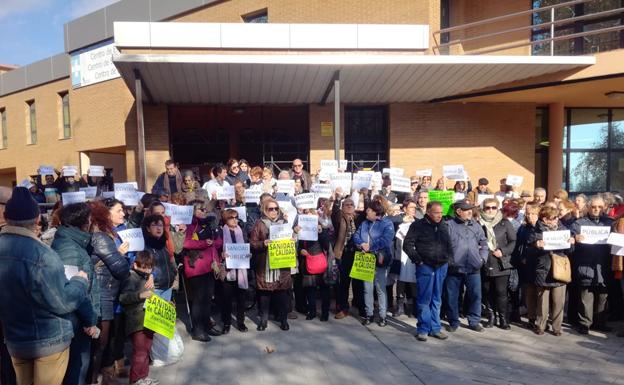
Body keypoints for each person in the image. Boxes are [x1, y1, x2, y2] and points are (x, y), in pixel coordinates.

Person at [0, 187, 88, 385]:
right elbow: (62, 302)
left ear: (6, 216)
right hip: (48, 341)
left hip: (15, 339)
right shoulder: (42, 254)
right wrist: (80, 281)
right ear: (37, 218)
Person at [51, 203, 99, 385]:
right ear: (84, 221)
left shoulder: (74, 242)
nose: (91, 221)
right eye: (89, 218)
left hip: (79, 320)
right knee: (76, 371)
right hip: (76, 322)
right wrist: (89, 320)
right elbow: (72, 292)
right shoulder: (68, 249)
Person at [87, 200, 131, 385]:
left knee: (106, 341)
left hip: (110, 293)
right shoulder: (101, 237)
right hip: (102, 293)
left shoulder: (108, 234)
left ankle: (105, 376)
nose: (123, 214)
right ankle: (93, 379)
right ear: (106, 214)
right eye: (119, 210)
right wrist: (120, 256)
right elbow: (121, 269)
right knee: (100, 344)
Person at [403, 201, 452, 341]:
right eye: (436, 212)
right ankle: (423, 328)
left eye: (441, 212)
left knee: (437, 299)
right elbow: (407, 245)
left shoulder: (444, 225)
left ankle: (435, 328)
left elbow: (449, 244)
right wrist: (418, 260)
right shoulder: (418, 225)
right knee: (424, 298)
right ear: (429, 212)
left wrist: (448, 259)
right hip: (425, 266)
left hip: (441, 266)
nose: (439, 215)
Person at [526, 206, 575, 336]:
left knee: (559, 301)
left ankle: (557, 327)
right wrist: (536, 245)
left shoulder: (563, 229)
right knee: (542, 301)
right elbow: (528, 251)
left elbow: (570, 251)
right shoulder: (536, 231)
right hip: (543, 269)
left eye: (556, 218)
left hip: (560, 268)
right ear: (544, 219)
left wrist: (571, 243)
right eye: (551, 219)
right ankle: (541, 325)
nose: (555, 221)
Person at [249, 198, 295, 331]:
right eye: (271, 209)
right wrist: (262, 244)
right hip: (265, 264)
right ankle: (263, 320)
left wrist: (293, 239)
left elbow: (292, 240)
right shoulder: (259, 224)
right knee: (265, 294)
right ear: (265, 210)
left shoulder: (284, 223)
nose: (274, 211)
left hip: (282, 264)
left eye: (276, 209)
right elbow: (252, 243)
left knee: (281, 293)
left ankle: (283, 320)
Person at [570, 196, 613, 334]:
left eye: (600, 207)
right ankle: (584, 324)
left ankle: (600, 323)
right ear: (588, 207)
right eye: (594, 206)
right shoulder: (578, 224)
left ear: (604, 207)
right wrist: (575, 239)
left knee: (602, 296)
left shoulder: (610, 223)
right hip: (585, 265)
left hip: (604, 265)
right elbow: (569, 243)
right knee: (586, 297)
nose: (596, 209)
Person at [183, 200, 223, 342]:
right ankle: (197, 330)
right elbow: (185, 242)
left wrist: (214, 237)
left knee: (207, 299)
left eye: (204, 209)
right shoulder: (189, 225)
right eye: (200, 209)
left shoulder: (209, 223)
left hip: (210, 266)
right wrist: (203, 243)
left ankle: (206, 325)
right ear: (193, 211)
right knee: (199, 300)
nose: (204, 211)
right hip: (197, 267)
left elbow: (219, 243)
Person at [445, 201, 488, 332]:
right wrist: (449, 261)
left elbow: (484, 244)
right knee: (452, 295)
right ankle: (453, 321)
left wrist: (482, 259)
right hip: (454, 268)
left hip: (474, 267)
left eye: (471, 209)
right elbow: (443, 246)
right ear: (458, 211)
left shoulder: (476, 226)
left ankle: (474, 321)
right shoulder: (448, 226)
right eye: (467, 210)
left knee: (475, 295)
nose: (470, 212)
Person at [119, 251, 160, 385]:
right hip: (136, 322)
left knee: (146, 350)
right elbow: (123, 298)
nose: (147, 269)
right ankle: (135, 379)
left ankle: (144, 376)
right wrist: (140, 295)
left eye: (149, 267)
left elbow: (151, 297)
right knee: (140, 352)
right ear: (135, 265)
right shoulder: (131, 277)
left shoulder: (147, 277)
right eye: (144, 266)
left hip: (148, 320)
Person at [353, 200, 395, 327]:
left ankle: (382, 316)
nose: (366, 211)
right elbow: (356, 235)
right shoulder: (365, 223)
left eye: (369, 210)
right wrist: (361, 244)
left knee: (380, 288)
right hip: (365, 259)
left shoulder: (387, 223)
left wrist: (370, 246)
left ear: (376, 212)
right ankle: (369, 314)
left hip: (379, 259)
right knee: (367, 288)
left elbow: (386, 240)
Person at [478, 197, 516, 330]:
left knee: (501, 292)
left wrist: (503, 251)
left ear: (498, 208)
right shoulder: (478, 223)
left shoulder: (505, 223)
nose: (490, 210)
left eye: (493, 207)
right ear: (483, 209)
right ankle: (491, 316)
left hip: (500, 262)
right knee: (487, 291)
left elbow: (513, 241)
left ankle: (503, 319)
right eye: (487, 207)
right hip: (485, 262)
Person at [298, 209, 332, 322]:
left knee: (324, 290)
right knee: (310, 290)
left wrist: (321, 232)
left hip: (320, 264)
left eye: (311, 216)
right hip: (307, 263)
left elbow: (327, 246)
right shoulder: (301, 230)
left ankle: (325, 313)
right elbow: (298, 246)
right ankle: (312, 312)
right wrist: (301, 250)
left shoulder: (322, 229)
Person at [220, 209, 250, 333]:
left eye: (236, 217)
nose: (235, 220)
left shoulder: (241, 231)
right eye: (231, 218)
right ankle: (226, 323)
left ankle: (240, 322)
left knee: (241, 298)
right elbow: (216, 248)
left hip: (240, 269)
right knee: (226, 299)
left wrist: (248, 254)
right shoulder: (221, 232)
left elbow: (245, 246)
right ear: (226, 220)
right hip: (228, 269)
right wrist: (221, 254)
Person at [333, 198, 360, 319]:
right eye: (346, 205)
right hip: (343, 254)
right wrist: (337, 200)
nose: (349, 206)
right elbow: (335, 213)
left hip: (357, 254)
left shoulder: (357, 218)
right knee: (343, 282)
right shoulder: (340, 218)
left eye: (351, 205)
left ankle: (358, 304)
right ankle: (343, 308)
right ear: (342, 207)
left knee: (358, 282)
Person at [142, 215, 176, 292]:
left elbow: (169, 263)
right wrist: (150, 276)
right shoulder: (144, 246)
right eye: (154, 225)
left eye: (160, 225)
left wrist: (173, 274)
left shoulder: (163, 244)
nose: (158, 228)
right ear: (148, 228)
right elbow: (140, 266)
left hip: (168, 287)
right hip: (154, 288)